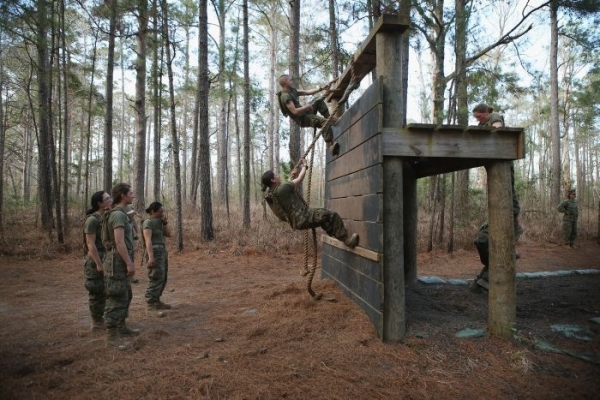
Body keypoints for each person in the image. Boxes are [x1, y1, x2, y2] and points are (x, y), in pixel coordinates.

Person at [261, 159, 359, 248]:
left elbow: (286, 191)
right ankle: (348, 241)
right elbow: (300, 178)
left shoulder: (271, 195)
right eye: (276, 175)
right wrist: (305, 166)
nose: (278, 175)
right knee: (332, 215)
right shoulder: (282, 189)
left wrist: (291, 178)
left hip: (298, 222)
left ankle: (339, 235)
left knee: (324, 220)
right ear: (273, 180)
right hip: (304, 217)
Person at [472, 103, 523, 239]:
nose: (477, 119)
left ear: (486, 113)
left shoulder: (494, 117)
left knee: (509, 192)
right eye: (475, 117)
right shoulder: (481, 124)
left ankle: (515, 226)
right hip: (492, 158)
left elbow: (497, 131)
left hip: (503, 156)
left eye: (479, 116)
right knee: (500, 193)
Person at [103, 183, 140, 344]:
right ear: (123, 196)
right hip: (118, 261)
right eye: (131, 193)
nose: (133, 195)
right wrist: (129, 263)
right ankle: (111, 335)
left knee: (126, 294)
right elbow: (119, 242)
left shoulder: (122, 214)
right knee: (116, 296)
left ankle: (121, 326)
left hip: (121, 260)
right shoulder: (118, 215)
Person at [277, 74, 340, 156]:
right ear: (285, 82)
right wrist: (306, 107)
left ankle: (330, 118)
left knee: (318, 100)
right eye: (290, 80)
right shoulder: (285, 96)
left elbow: (306, 92)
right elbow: (295, 112)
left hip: (305, 112)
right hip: (302, 119)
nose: (292, 81)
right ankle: (330, 145)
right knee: (324, 122)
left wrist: (321, 89)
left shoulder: (292, 90)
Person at [82, 191, 112, 332]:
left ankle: (103, 318)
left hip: (106, 256)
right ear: (99, 203)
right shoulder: (92, 220)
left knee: (105, 290)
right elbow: (90, 243)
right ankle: (96, 322)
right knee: (96, 291)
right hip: (95, 258)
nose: (110, 200)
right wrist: (99, 263)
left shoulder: (105, 217)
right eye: (107, 199)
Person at [142, 202, 172, 312]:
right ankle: (150, 304)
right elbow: (147, 240)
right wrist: (151, 256)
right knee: (155, 277)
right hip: (154, 251)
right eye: (160, 211)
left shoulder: (160, 222)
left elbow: (168, 234)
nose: (162, 213)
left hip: (162, 251)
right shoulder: (148, 222)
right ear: (153, 212)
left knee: (162, 277)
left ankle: (156, 300)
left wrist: (165, 223)